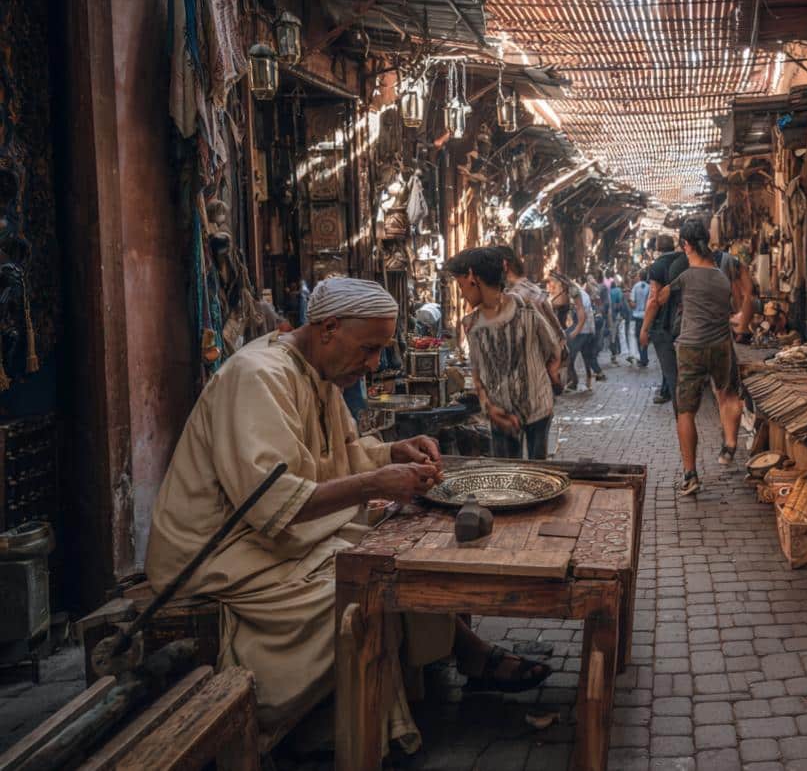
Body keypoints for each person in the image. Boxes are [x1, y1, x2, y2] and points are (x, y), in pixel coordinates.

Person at [145, 277, 550, 754]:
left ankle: (459, 659)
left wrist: (392, 453)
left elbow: (338, 457)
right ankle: (355, 725)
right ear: (329, 328)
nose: (375, 364)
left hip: (277, 544)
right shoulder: (258, 376)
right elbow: (269, 499)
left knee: (400, 552)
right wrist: (376, 484)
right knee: (368, 589)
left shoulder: (316, 374)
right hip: (223, 558)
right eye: (370, 349)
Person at [644, 219, 747, 497]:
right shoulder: (722, 276)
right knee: (728, 394)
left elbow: (659, 298)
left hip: (691, 347)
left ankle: (690, 475)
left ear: (686, 245)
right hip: (721, 345)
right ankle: (729, 445)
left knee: (686, 411)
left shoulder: (686, 277)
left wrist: (647, 326)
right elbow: (738, 305)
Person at [449, 248, 561, 460]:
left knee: (538, 471)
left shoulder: (527, 309)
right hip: (500, 413)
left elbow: (553, 350)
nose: (462, 293)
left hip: (538, 407)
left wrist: (547, 381)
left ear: (473, 277)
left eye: (461, 284)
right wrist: (489, 407)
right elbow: (478, 373)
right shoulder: (471, 324)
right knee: (506, 472)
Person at [641, 236, 681, 404]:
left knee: (671, 372)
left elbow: (653, 300)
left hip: (664, 325)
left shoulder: (657, 267)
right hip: (685, 323)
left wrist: (644, 328)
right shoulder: (684, 262)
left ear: (657, 248)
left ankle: (681, 415)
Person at [630, 270, 651, 367]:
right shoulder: (649, 287)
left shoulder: (635, 287)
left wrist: (631, 304)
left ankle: (643, 359)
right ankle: (644, 357)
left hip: (637, 316)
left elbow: (633, 303)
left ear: (639, 276)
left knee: (639, 336)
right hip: (647, 315)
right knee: (645, 335)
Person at [608, 275, 629, 363]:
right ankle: (620, 351)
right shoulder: (618, 291)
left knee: (613, 335)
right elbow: (621, 303)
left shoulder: (609, 292)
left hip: (610, 315)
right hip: (617, 315)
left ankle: (614, 352)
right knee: (621, 332)